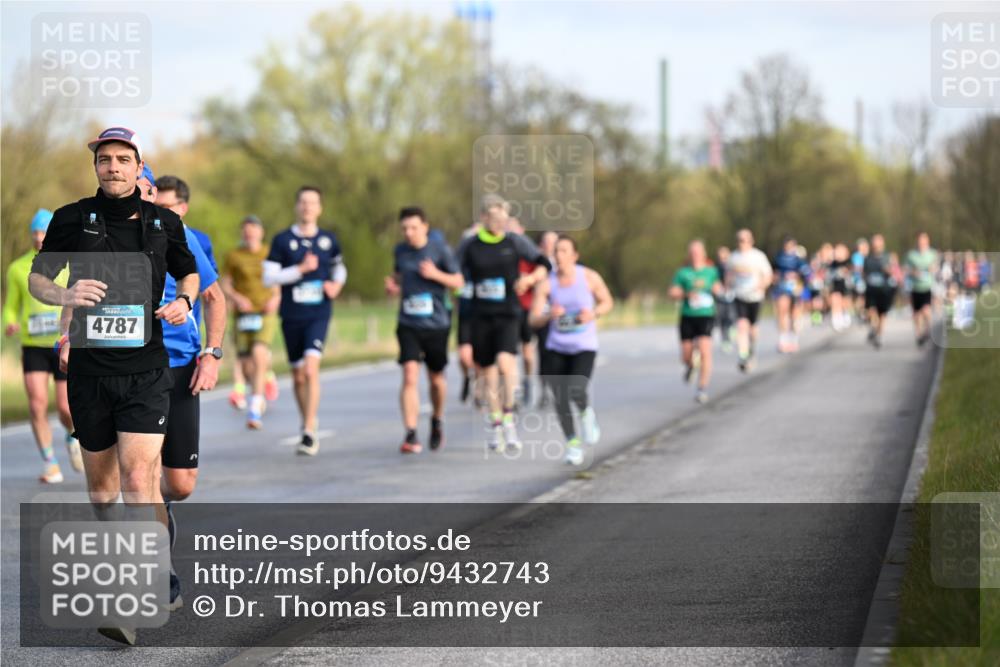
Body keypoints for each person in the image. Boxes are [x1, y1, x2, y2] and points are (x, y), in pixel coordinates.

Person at [29, 126, 199, 646]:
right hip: (89, 373)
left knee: (137, 478)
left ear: (138, 165)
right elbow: (39, 278)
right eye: (105, 160)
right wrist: (64, 293)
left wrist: (184, 303)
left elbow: (189, 274)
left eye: (124, 159)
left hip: (146, 372)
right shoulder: (71, 218)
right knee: (103, 494)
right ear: (96, 167)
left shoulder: (163, 222)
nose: (114, 167)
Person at [153, 173, 226, 611]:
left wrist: (212, 354)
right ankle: (157, 572)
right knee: (136, 475)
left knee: (178, 485)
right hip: (130, 367)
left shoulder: (182, 237)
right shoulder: (105, 233)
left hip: (180, 365)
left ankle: (160, 504)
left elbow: (215, 296)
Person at [456, 194, 550, 453]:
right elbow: (454, 270)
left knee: (507, 366)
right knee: (488, 373)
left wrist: (529, 281)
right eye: (494, 217)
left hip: (508, 313)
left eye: (503, 217)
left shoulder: (515, 241)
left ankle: (509, 417)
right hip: (481, 315)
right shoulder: (470, 245)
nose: (499, 222)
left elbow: (544, 263)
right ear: (484, 217)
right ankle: (495, 421)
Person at [263, 186, 346, 456]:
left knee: (311, 370)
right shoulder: (282, 240)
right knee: (298, 376)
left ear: (320, 208)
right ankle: (306, 420)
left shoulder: (328, 240)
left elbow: (339, 267)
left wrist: (336, 284)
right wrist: (301, 269)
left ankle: (310, 430)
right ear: (297, 207)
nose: (308, 207)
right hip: (292, 315)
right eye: (303, 202)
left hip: (318, 313)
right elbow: (269, 277)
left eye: (313, 203)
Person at [3, 209, 82, 482]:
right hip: (33, 345)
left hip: (62, 344)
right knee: (36, 405)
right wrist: (10, 322)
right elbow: (11, 306)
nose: (39, 238)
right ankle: (50, 462)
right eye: (35, 232)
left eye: (44, 232)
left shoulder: (70, 263)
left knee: (65, 408)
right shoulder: (17, 268)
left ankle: (72, 439)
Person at [384, 207, 464, 453]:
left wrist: (436, 274)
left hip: (436, 324)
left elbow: (459, 282)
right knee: (409, 374)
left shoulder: (440, 250)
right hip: (408, 323)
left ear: (425, 227)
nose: (409, 233)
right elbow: (399, 276)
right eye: (404, 228)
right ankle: (411, 433)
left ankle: (437, 419)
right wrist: (393, 285)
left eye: (414, 228)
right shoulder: (400, 251)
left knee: (436, 380)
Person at [529, 235, 613, 465]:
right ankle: (572, 444)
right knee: (560, 397)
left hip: (583, 346)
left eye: (564, 251)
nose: (559, 255)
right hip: (557, 346)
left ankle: (586, 415)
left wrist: (593, 313)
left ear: (575, 255)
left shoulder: (588, 277)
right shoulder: (547, 282)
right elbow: (533, 319)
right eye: (556, 251)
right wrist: (548, 315)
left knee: (576, 389)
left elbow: (607, 301)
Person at [222, 215, 281, 429]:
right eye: (246, 231)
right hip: (243, 313)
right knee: (246, 363)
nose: (249, 234)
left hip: (265, 311)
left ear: (261, 232)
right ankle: (263, 380)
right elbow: (226, 284)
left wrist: (275, 298)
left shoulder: (269, 253)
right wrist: (237, 298)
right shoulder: (234, 256)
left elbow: (277, 280)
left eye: (253, 230)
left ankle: (255, 406)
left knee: (259, 351)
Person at [669, 240, 722, 404]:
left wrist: (717, 290)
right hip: (687, 315)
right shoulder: (682, 273)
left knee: (705, 350)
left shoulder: (711, 271)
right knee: (686, 355)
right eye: (692, 252)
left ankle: (702, 388)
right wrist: (685, 294)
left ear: (704, 253)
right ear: (689, 254)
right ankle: (691, 365)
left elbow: (719, 288)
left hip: (706, 315)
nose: (695, 255)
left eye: (698, 252)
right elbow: (672, 292)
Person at [725, 229, 773, 372]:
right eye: (740, 240)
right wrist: (727, 287)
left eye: (745, 240)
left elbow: (768, 276)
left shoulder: (758, 256)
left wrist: (761, 286)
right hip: (739, 296)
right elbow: (728, 275)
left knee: (753, 329)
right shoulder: (733, 258)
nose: (742, 243)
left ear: (751, 241)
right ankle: (743, 355)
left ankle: (751, 349)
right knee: (741, 325)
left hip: (755, 297)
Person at [772, 236, 810, 353]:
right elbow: (774, 273)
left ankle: (793, 340)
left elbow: (806, 274)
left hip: (795, 289)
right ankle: (783, 340)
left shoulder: (799, 259)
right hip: (782, 288)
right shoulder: (778, 258)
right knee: (782, 312)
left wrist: (797, 277)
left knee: (794, 314)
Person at [904, 232, 938, 347]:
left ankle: (928, 331)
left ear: (927, 241)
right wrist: (914, 272)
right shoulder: (911, 255)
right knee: (916, 314)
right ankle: (919, 335)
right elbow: (905, 269)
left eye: (924, 240)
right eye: (920, 240)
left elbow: (936, 267)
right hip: (914, 287)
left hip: (927, 286)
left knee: (926, 310)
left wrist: (932, 269)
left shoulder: (932, 253)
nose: (922, 242)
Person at [863, 234, 896, 349]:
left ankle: (879, 336)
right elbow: (864, 273)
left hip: (884, 290)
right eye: (874, 242)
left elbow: (894, 272)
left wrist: (888, 271)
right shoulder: (868, 258)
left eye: (878, 241)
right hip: (871, 290)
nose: (876, 244)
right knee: (871, 311)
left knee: (882, 314)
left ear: (882, 243)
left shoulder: (888, 257)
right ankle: (873, 327)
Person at [714, 245, 736, 353]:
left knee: (732, 317)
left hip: (732, 296)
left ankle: (732, 331)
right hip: (720, 296)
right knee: (722, 319)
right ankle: (725, 341)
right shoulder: (716, 268)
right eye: (720, 256)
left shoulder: (733, 267)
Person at [828, 243, 852, 331]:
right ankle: (836, 319)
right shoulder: (833, 263)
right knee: (835, 299)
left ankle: (845, 314)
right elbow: (829, 273)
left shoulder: (848, 262)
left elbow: (852, 272)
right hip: (835, 284)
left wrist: (846, 272)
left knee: (845, 302)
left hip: (845, 284)